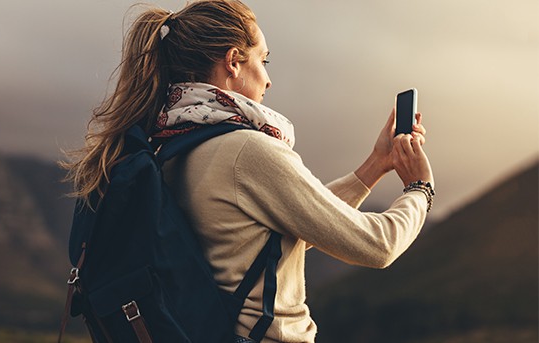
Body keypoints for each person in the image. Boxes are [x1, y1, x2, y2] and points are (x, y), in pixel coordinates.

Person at [63, 0, 435, 342]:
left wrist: (375, 165)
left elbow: (293, 224)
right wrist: (420, 188)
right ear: (234, 61)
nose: (268, 80)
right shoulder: (246, 151)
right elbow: (376, 245)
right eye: (264, 60)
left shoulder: (167, 144)